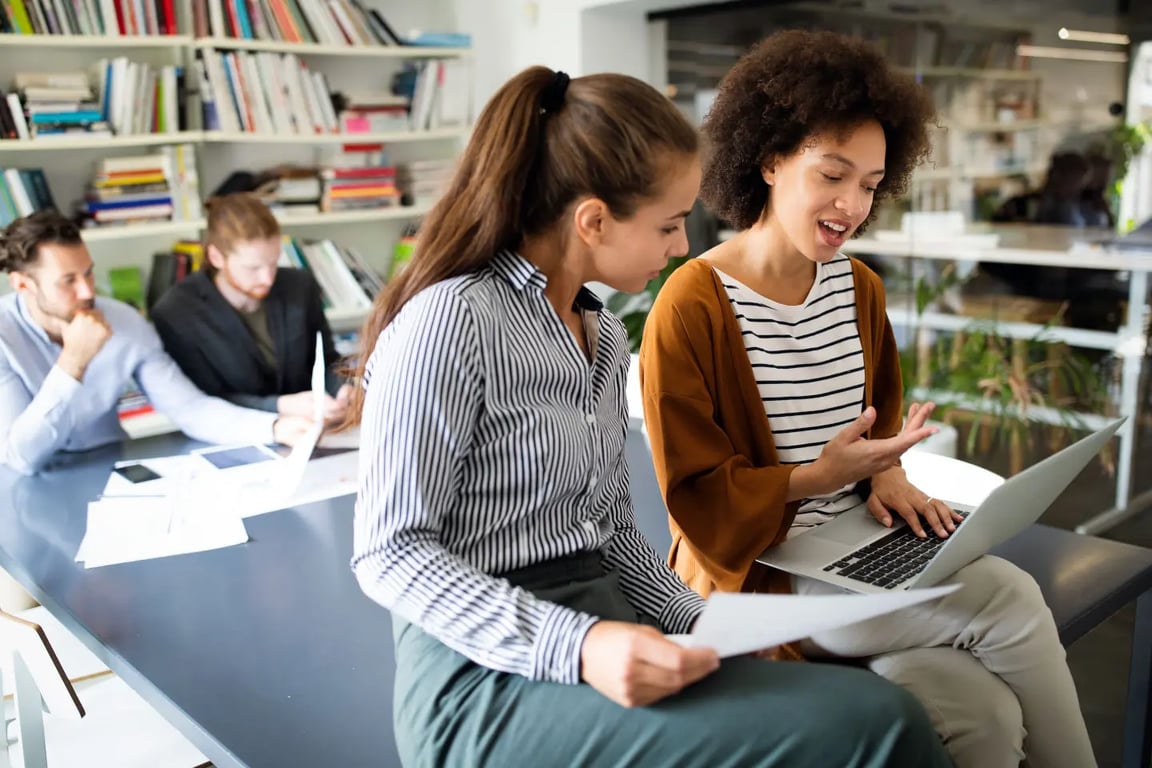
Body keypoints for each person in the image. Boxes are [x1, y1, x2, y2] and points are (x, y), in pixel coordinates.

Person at [347, 65, 952, 768]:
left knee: (873, 715)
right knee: (879, 724)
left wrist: (709, 624)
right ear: (593, 221)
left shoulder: (601, 336)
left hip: (609, 624)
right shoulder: (450, 323)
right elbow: (389, 555)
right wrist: (580, 645)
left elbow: (613, 535)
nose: (681, 248)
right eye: (668, 224)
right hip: (482, 675)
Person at [639, 30, 1096, 768]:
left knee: (982, 713)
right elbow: (695, 500)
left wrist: (885, 472)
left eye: (871, 184)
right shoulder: (693, 304)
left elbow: (875, 420)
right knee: (1008, 599)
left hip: (857, 556)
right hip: (762, 581)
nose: (852, 204)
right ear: (770, 159)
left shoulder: (858, 288)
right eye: (832, 175)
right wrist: (816, 478)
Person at [0, 210, 314, 476]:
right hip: (25, 488)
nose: (87, 292)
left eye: (89, 274)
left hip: (107, 469)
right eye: (68, 281)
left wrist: (275, 427)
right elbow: (23, 459)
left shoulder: (124, 321)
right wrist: (73, 363)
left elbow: (189, 408)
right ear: (22, 284)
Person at [151, 192, 350, 425]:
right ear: (216, 257)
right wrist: (281, 406)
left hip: (314, 429)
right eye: (252, 268)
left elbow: (326, 360)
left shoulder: (299, 286)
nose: (267, 278)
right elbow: (201, 401)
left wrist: (344, 389)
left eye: (274, 263)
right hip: (232, 436)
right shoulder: (177, 312)